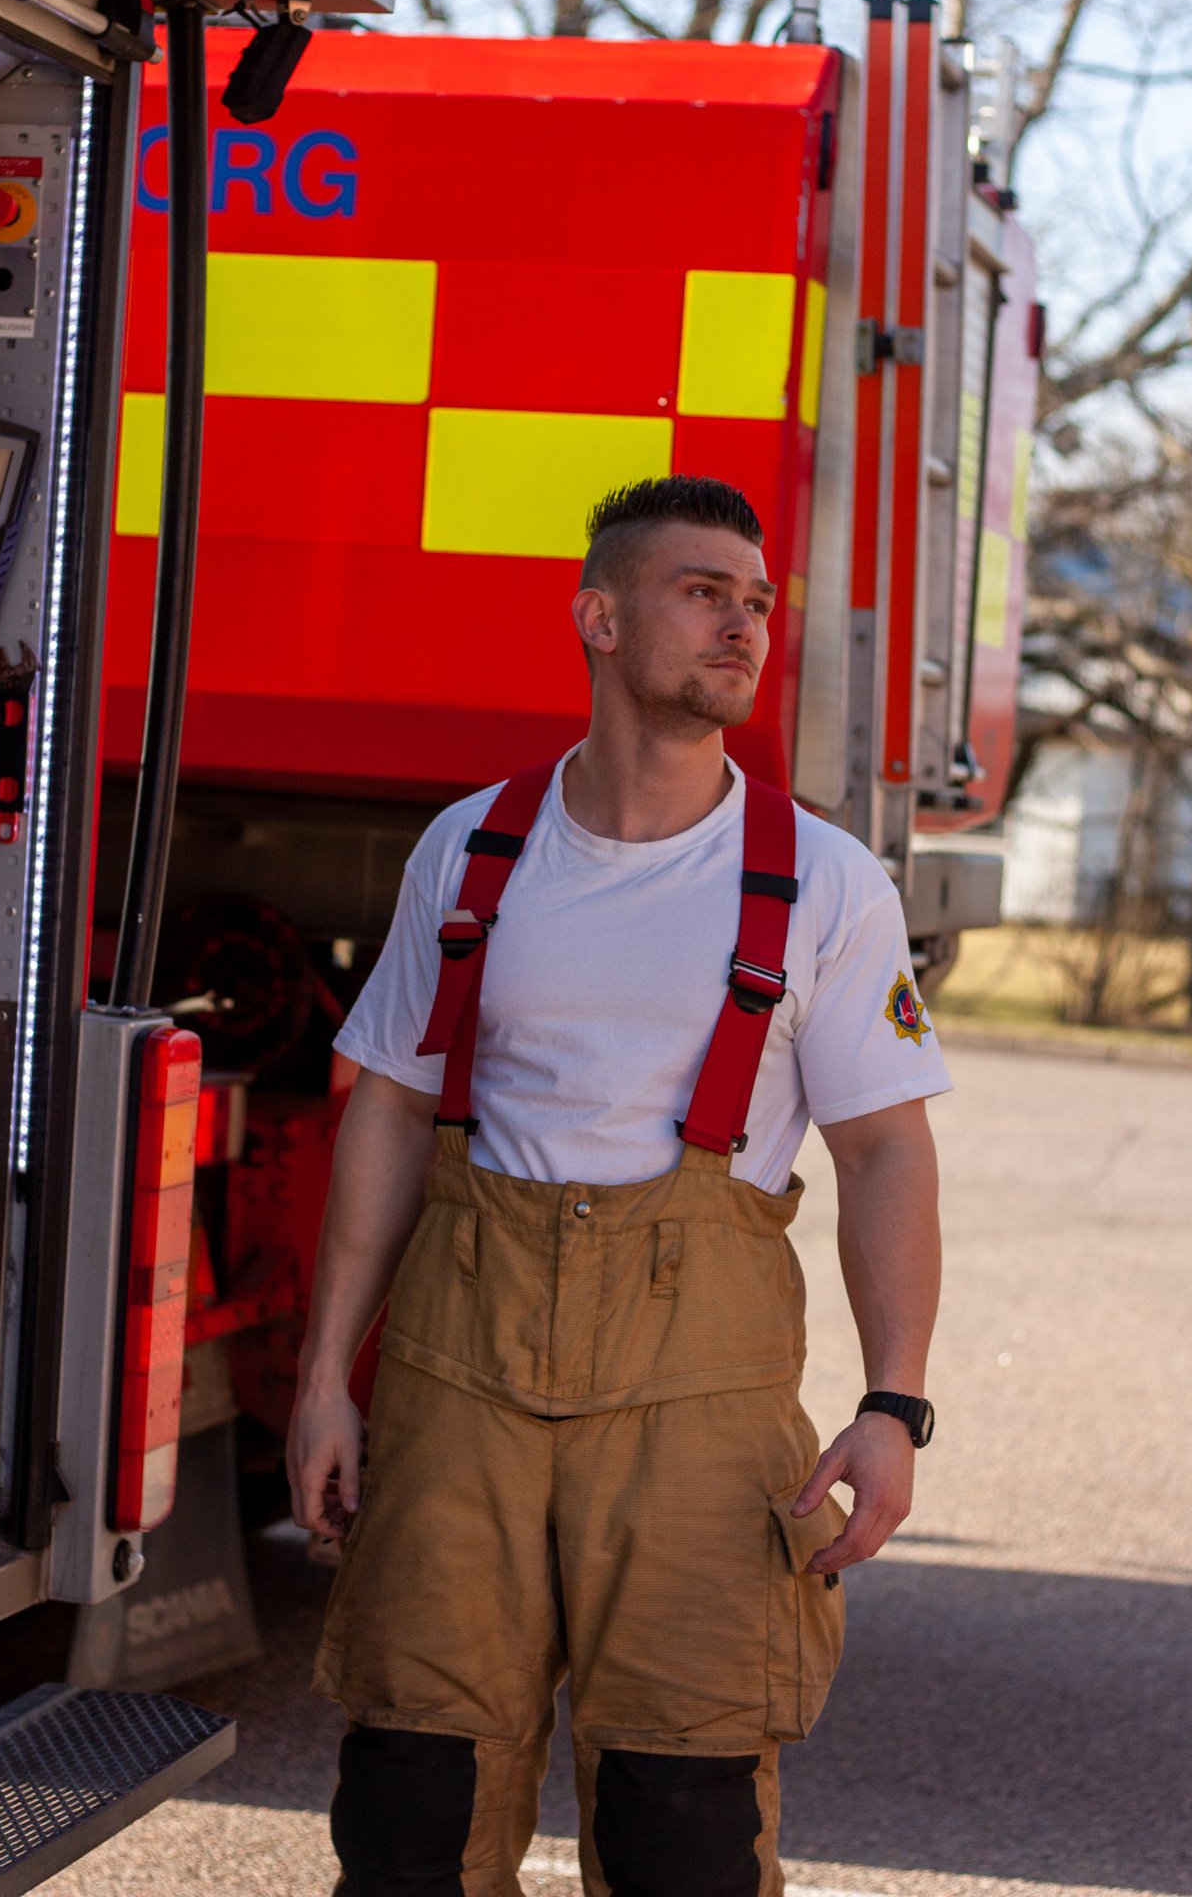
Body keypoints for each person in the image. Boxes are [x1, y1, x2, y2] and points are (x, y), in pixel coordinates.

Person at [289, 474, 948, 1897]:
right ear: (597, 617)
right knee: (413, 1806)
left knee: (683, 1824)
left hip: (700, 1409)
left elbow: (886, 1149)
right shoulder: (472, 847)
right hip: (455, 1386)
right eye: (702, 592)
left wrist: (892, 1405)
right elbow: (393, 1110)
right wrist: (324, 1376)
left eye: (756, 602)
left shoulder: (823, 883)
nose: (743, 625)